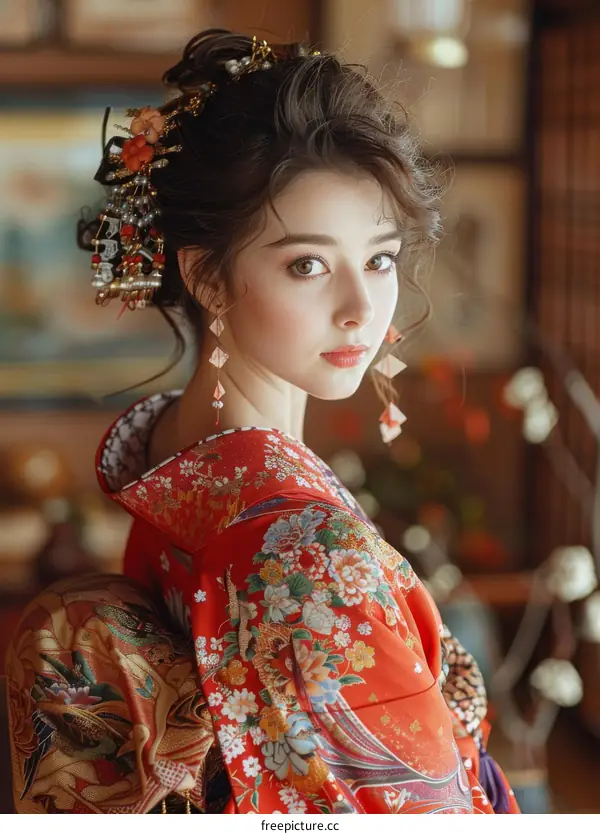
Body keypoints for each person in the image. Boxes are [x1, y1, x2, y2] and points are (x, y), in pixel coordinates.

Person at [6, 29, 519, 814]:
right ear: (208, 276)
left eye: (379, 258)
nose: (361, 308)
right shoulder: (302, 551)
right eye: (307, 264)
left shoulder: (176, 458)